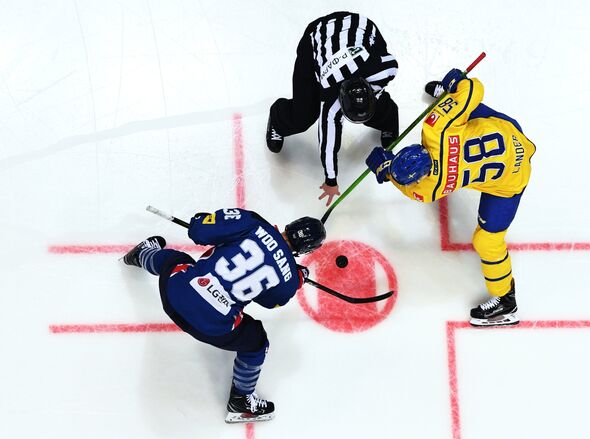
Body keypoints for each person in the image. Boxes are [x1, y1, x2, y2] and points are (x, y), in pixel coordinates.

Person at [366, 69, 536, 327]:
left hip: (511, 180)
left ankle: (507, 301)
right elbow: (475, 89)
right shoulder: (437, 129)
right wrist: (459, 84)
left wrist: (385, 169)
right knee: (465, 108)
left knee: (487, 241)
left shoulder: (430, 187)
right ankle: (450, 99)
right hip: (511, 134)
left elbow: (404, 185)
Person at [122, 208, 326, 422]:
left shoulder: (252, 223)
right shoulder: (289, 280)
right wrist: (296, 278)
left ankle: (141, 254)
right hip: (212, 328)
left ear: (291, 224)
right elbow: (270, 302)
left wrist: (200, 220)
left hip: (175, 294)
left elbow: (199, 231)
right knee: (256, 342)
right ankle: (241, 399)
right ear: (306, 250)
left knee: (175, 260)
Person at [267, 11, 399, 206]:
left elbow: (388, 62)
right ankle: (278, 119)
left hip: (360, 26)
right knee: (304, 114)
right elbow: (328, 144)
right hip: (316, 37)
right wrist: (331, 180)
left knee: (374, 109)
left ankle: (388, 119)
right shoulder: (331, 102)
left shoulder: (385, 70)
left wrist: (375, 95)